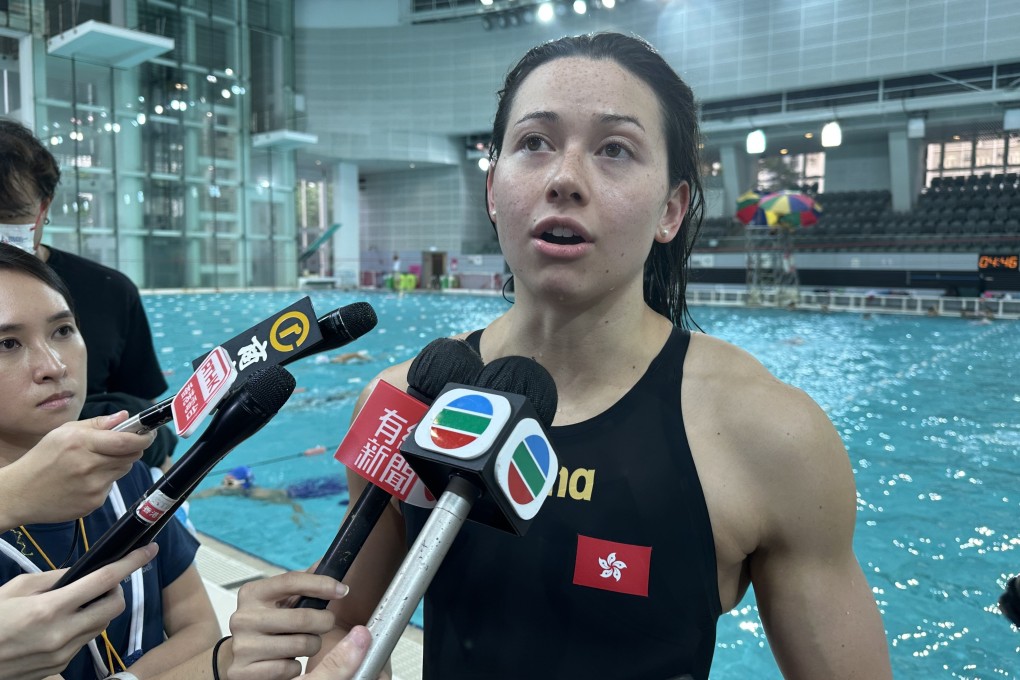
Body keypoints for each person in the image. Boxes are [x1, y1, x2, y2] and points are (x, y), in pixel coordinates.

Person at [307, 33, 892, 679]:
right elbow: (341, 629)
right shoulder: (404, 403)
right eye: (535, 142)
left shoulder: (768, 435)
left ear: (671, 210)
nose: (564, 179)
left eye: (615, 149)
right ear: (493, 189)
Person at [0, 118, 167, 402]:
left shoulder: (110, 292)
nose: (52, 368)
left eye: (12, 216)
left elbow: (140, 410)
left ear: (44, 206)